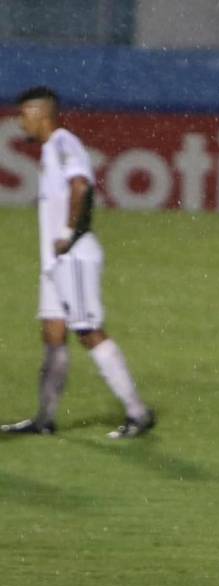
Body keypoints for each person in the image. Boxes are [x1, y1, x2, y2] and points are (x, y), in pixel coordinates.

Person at [2, 87, 155, 439]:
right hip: (55, 264)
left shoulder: (63, 142)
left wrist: (69, 230)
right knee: (53, 334)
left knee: (87, 330)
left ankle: (138, 413)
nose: (19, 121)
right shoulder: (49, 151)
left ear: (41, 114)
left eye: (24, 114)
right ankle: (44, 420)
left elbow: (82, 186)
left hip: (74, 256)